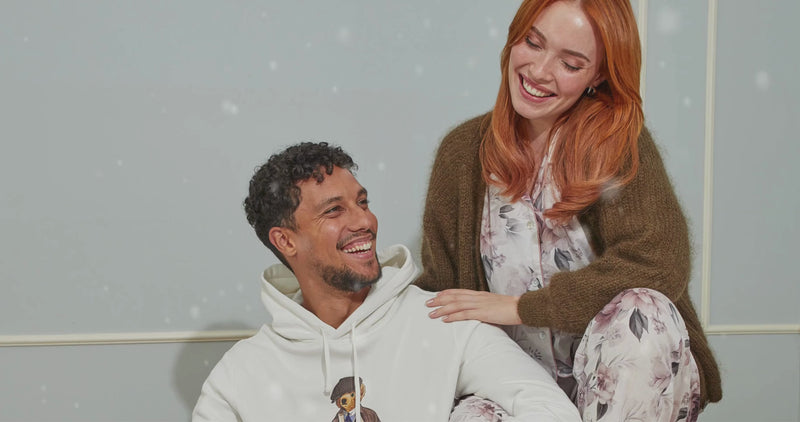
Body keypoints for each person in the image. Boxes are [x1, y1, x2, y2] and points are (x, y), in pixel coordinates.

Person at [416, 0, 722, 421]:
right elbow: (444, 293)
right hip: (519, 381)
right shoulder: (462, 152)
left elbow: (658, 262)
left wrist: (519, 308)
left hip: (626, 376)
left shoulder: (617, 144)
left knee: (643, 310)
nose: (540, 71)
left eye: (570, 64)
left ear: (598, 75)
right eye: (533, 43)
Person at [192, 142, 581, 422]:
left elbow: (549, 408)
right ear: (285, 241)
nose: (364, 221)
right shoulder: (241, 375)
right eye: (334, 211)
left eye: (362, 202)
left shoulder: (441, 321)